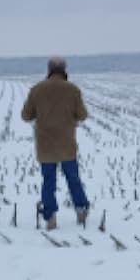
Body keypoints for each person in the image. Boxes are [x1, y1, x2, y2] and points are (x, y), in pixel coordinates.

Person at [21, 56, 90, 230]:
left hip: (45, 145)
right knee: (73, 179)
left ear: (49, 69)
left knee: (48, 181)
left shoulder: (37, 89)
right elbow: (82, 115)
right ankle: (81, 211)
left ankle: (50, 216)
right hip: (67, 145)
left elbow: (26, 116)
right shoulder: (73, 90)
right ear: (64, 69)